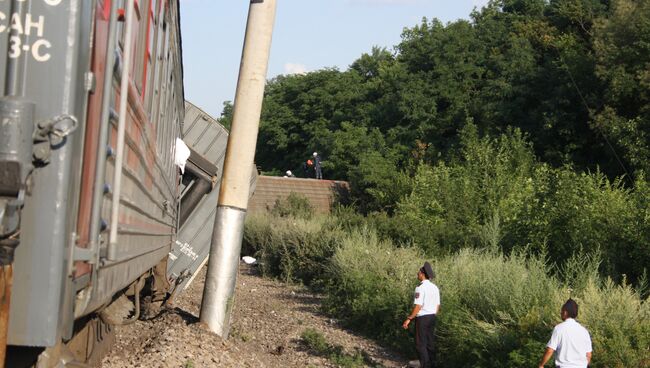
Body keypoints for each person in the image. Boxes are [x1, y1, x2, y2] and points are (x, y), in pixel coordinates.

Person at [403, 261, 440, 368]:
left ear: (423, 274)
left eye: (418, 272)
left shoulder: (420, 288)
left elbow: (418, 306)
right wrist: (432, 315)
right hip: (432, 317)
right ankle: (432, 364)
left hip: (422, 319)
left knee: (420, 344)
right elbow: (437, 305)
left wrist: (409, 318)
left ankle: (425, 365)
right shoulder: (435, 287)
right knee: (430, 343)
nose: (417, 274)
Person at [538, 299, 592, 368]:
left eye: (562, 311)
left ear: (565, 312)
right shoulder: (584, 331)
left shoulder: (559, 328)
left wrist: (541, 365)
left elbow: (550, 350)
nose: (560, 313)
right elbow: (588, 354)